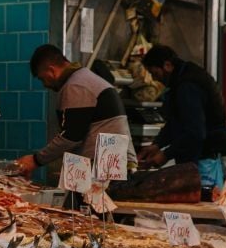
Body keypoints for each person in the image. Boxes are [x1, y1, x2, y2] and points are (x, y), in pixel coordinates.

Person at [14, 44, 135, 177]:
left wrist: (35, 160)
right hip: (111, 165)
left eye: (43, 78)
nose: (45, 85)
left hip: (108, 169)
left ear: (51, 70)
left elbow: (71, 136)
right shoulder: (83, 79)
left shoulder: (76, 85)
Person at [137, 44, 226, 187]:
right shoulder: (182, 79)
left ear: (168, 65)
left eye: (155, 74)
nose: (155, 79)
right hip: (199, 161)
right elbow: (177, 121)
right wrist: (157, 144)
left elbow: (195, 133)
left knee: (204, 207)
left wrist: (166, 154)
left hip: (204, 163)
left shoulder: (188, 86)